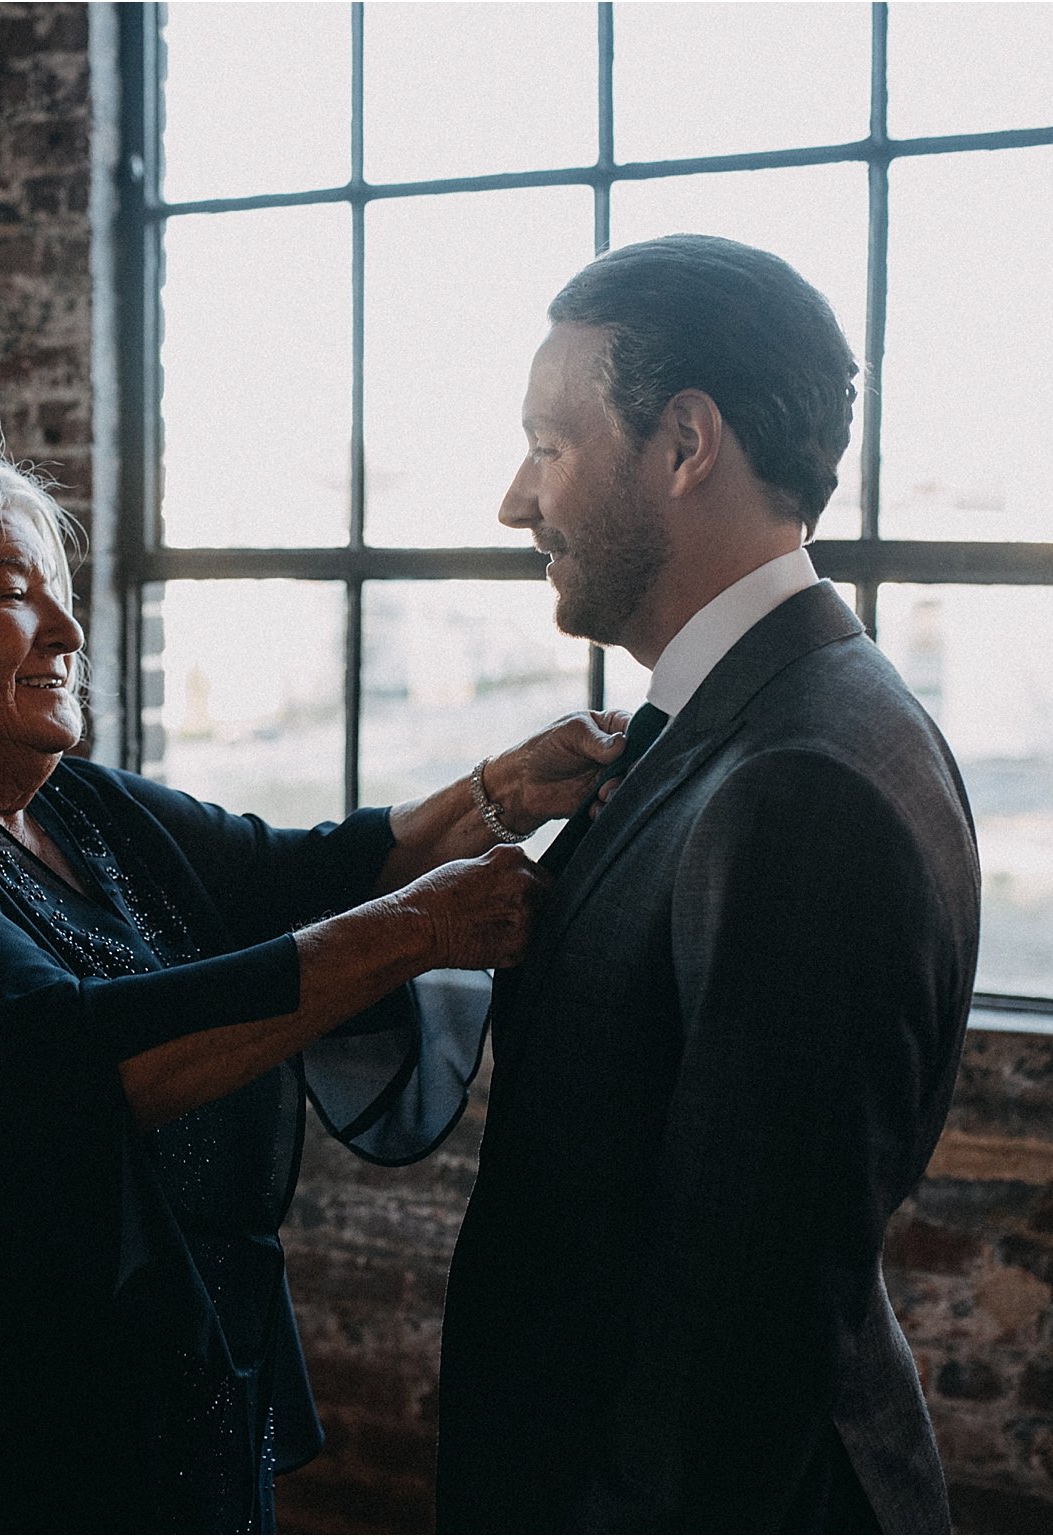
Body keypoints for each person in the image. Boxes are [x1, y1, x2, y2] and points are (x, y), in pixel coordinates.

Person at [0, 444, 629, 1533]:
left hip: (96, 1424)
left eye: (60, 599)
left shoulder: (76, 807)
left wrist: (502, 791)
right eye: (11, 598)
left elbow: (299, 874)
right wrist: (415, 931)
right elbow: (53, 1064)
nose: (68, 633)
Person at [437, 235, 982, 1533]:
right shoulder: (768, 711)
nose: (517, 502)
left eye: (549, 447)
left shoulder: (800, 787)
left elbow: (736, 1341)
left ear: (685, 443)